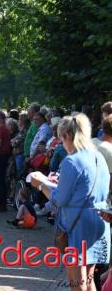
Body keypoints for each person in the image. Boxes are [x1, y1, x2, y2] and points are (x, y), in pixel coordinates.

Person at [30, 114, 110, 290]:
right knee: (89, 280)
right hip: (98, 221)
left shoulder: (71, 161)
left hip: (77, 225)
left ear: (67, 136)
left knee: (77, 281)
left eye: (61, 138)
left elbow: (59, 199)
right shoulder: (99, 157)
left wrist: (41, 185)